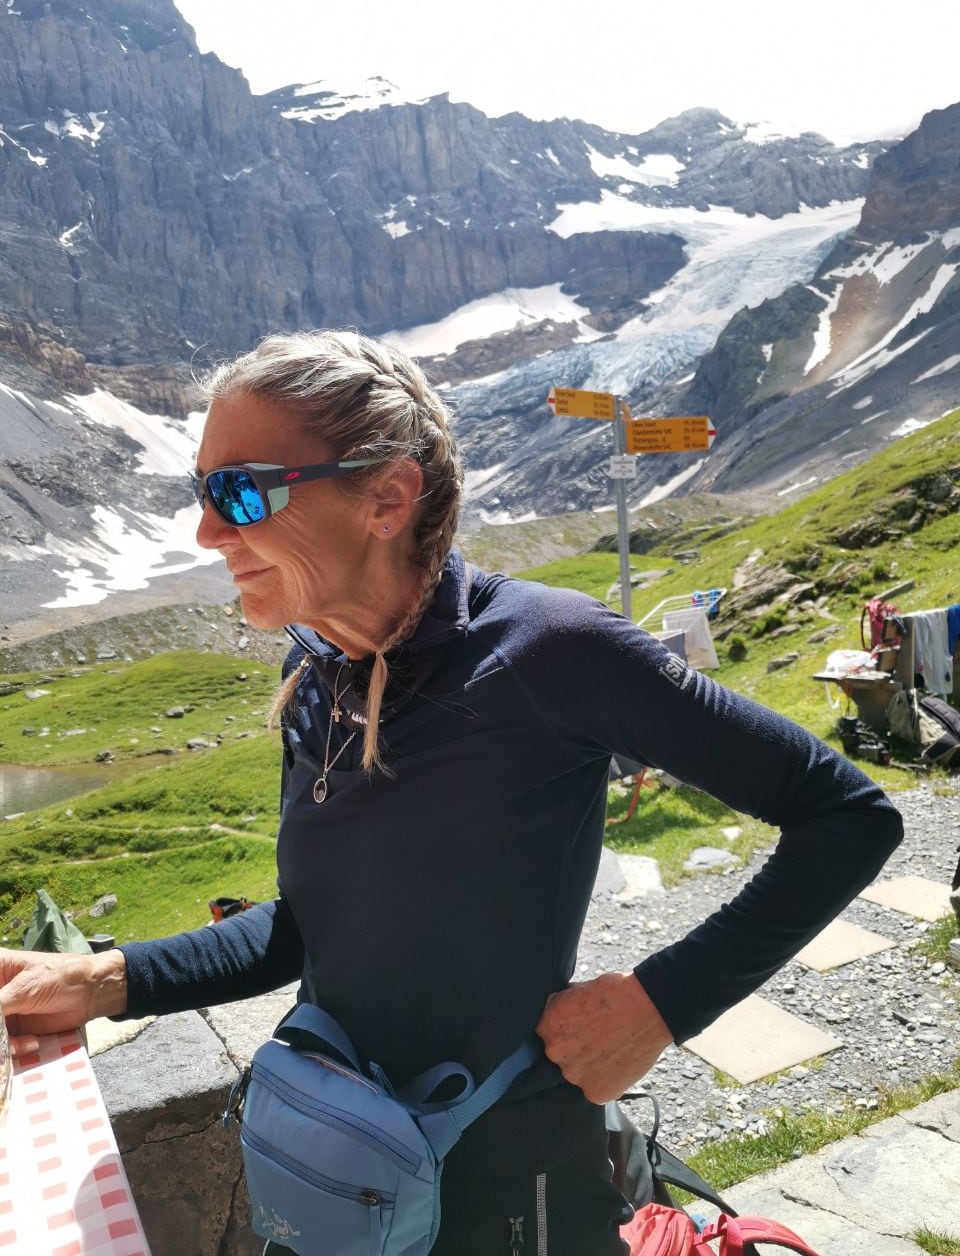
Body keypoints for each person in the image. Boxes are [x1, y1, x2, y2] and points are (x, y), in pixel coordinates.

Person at [0, 330, 903, 1255]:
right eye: (202, 491)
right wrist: (109, 979)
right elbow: (314, 926)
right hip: (338, 1176)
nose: (207, 531)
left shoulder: (553, 651)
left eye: (239, 491)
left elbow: (847, 816)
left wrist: (661, 1003)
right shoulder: (318, 675)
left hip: (511, 1193)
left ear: (388, 496)